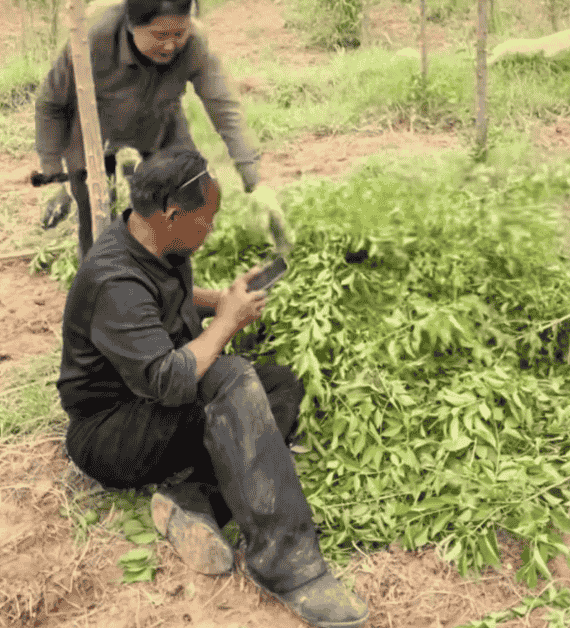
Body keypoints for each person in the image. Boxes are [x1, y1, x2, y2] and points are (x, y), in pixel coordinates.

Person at [56, 148, 369, 628]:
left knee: (280, 385)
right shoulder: (113, 278)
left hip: (152, 407)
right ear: (173, 214)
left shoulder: (158, 243)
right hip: (112, 432)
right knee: (228, 375)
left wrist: (220, 299)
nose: (213, 228)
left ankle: (193, 501)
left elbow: (170, 297)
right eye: (208, 219)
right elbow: (170, 380)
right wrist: (226, 322)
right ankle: (287, 566)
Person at [35, 0, 283, 262]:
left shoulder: (194, 43)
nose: (170, 45)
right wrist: (53, 177)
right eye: (160, 35)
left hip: (160, 121)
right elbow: (51, 103)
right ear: (131, 25)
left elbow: (224, 107)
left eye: (179, 34)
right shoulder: (92, 39)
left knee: (189, 195)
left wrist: (256, 182)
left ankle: (171, 274)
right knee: (96, 222)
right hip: (93, 130)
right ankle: (101, 285)